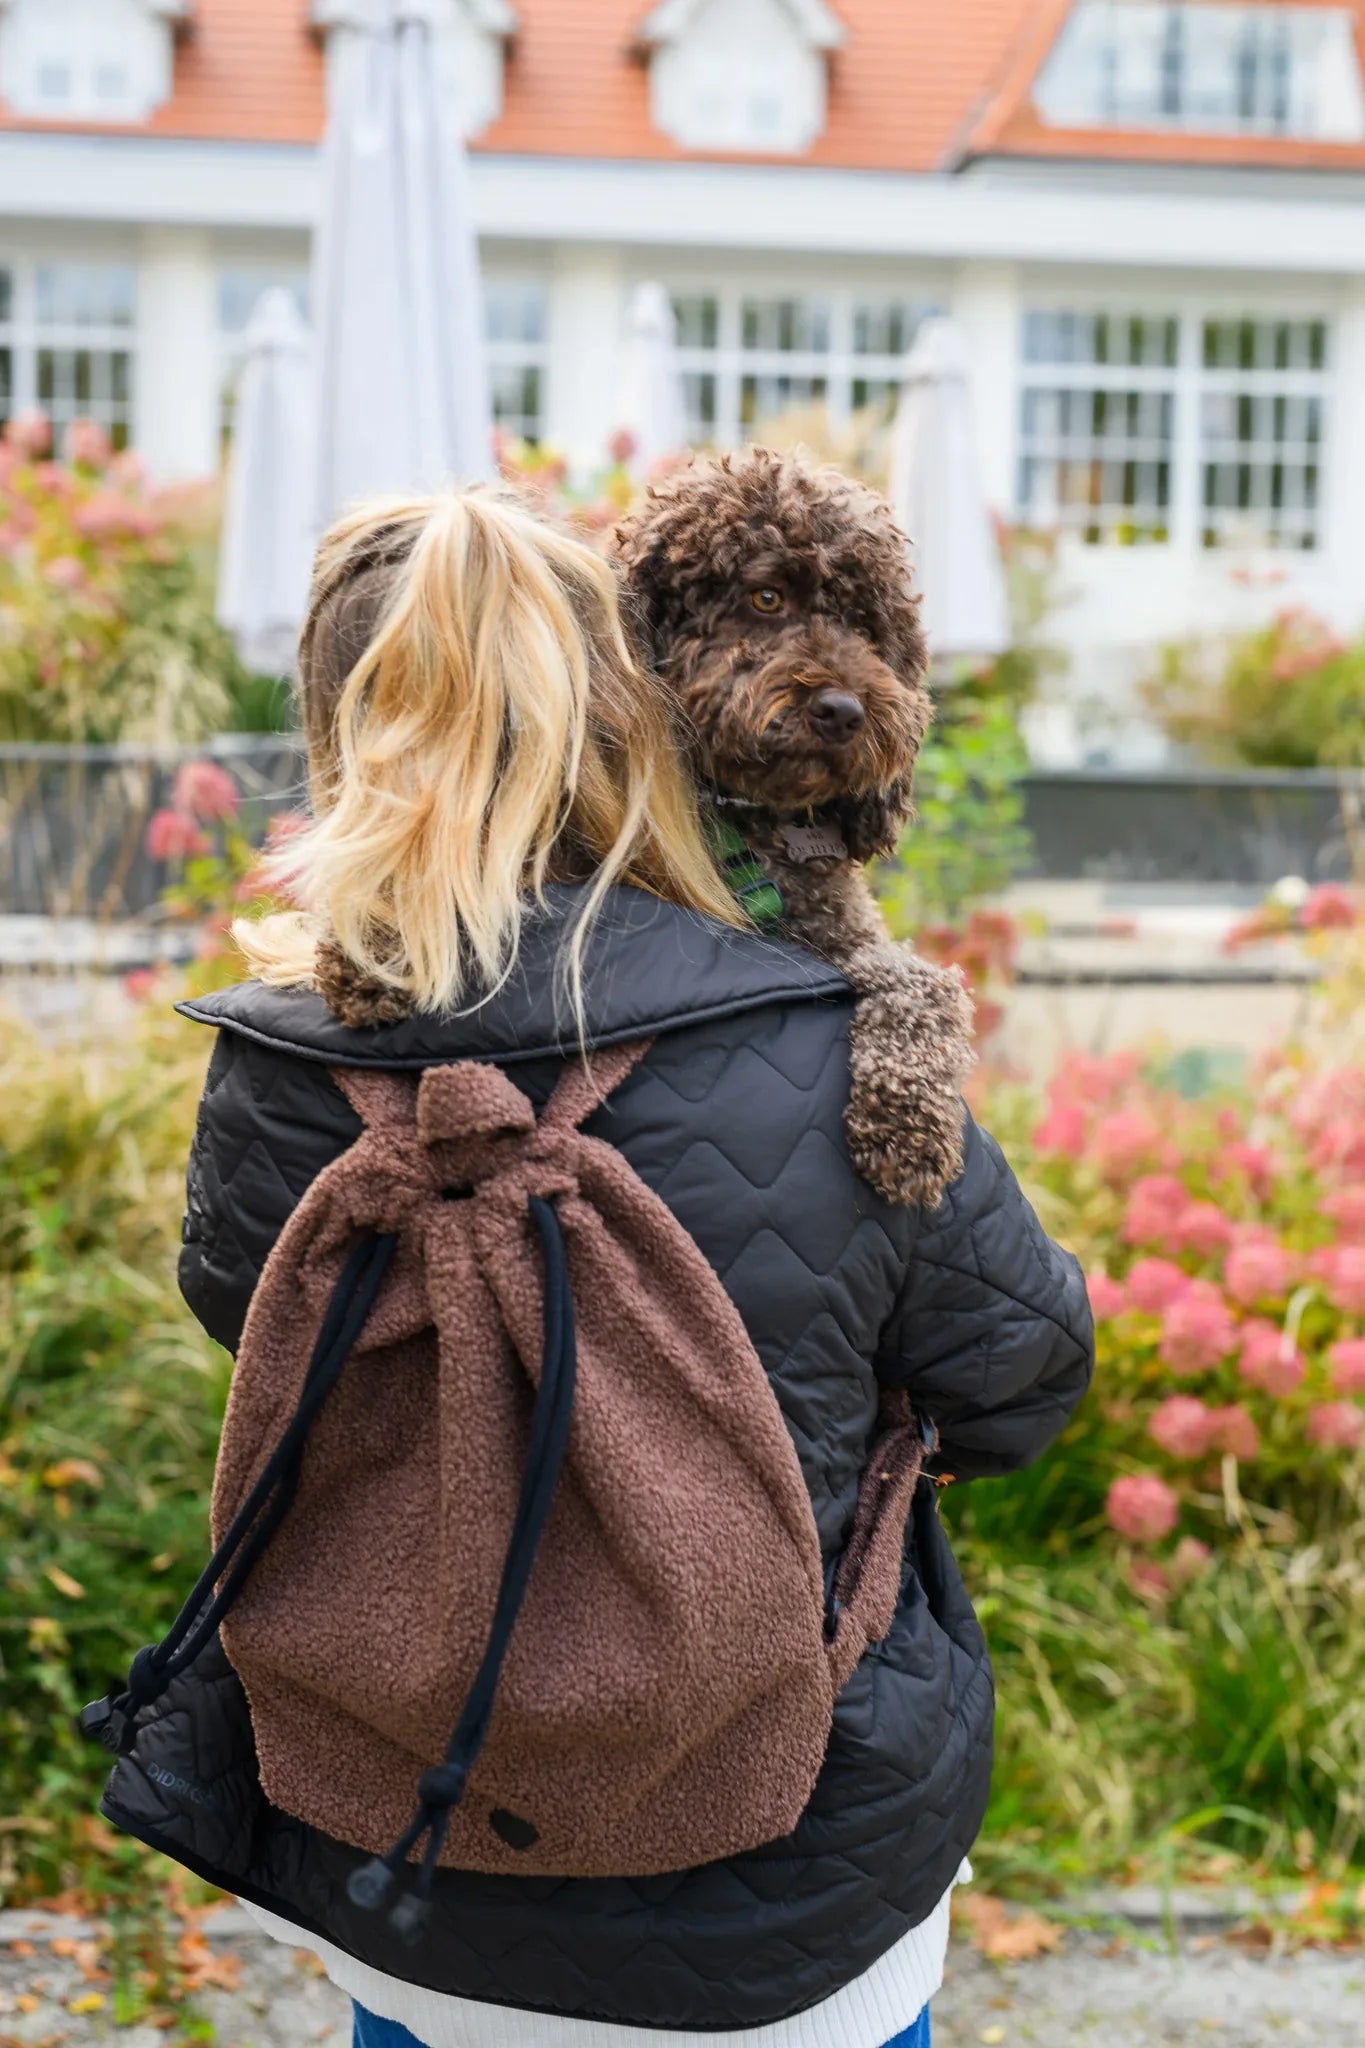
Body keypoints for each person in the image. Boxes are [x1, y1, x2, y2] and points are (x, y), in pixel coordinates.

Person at [105, 489, 1092, 2048]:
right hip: (791, 1884)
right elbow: (1021, 1381)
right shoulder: (833, 1043)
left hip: (412, 1860)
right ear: (630, 706)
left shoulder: (274, 1063)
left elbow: (253, 1322)